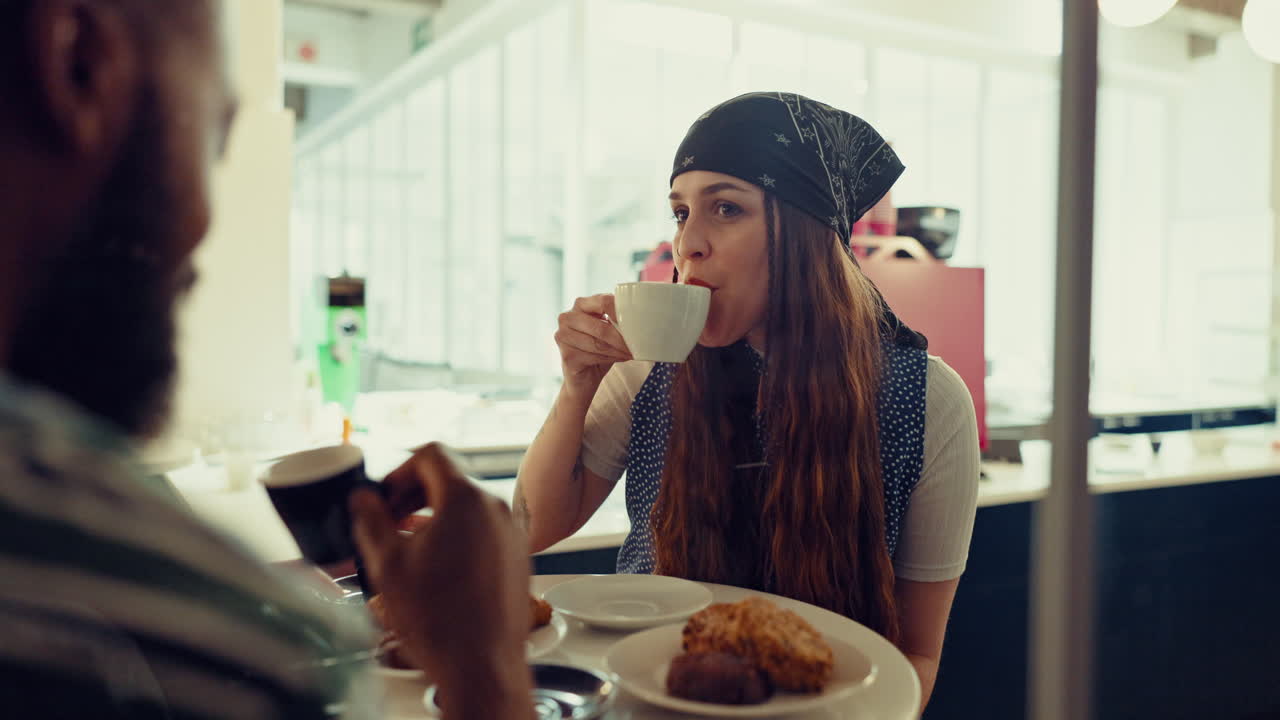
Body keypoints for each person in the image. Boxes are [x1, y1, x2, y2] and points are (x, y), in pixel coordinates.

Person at [0, 2, 532, 718]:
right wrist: (484, 674)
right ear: (78, 65)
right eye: (214, 141)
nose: (202, 234)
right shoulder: (203, 650)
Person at [515, 92, 980, 709]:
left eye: (726, 208)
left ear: (807, 233)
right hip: (651, 701)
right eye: (681, 213)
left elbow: (917, 652)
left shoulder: (927, 399)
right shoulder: (647, 372)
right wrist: (577, 383)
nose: (689, 245)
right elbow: (532, 525)